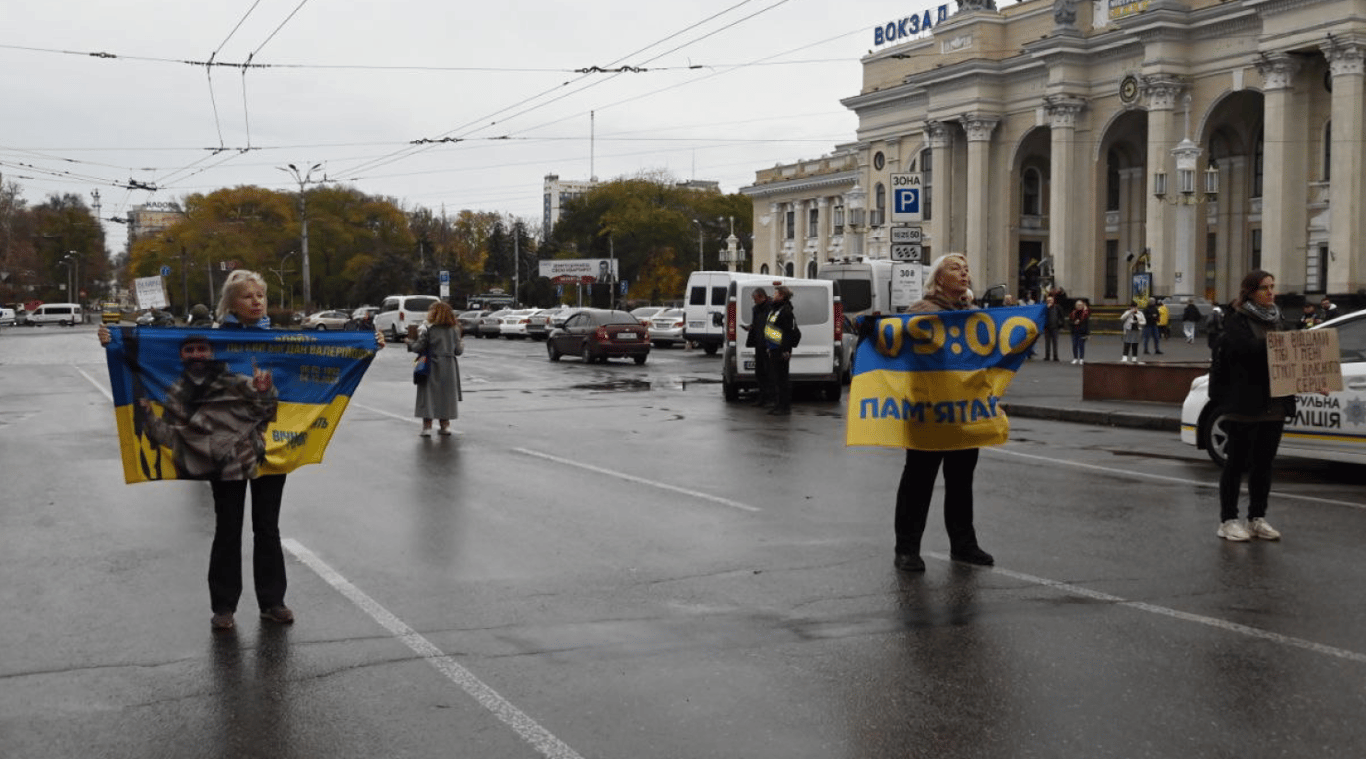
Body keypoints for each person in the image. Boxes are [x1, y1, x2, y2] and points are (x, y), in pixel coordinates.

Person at [98, 270, 384, 631]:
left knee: (267, 527)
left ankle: (272, 602)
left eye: (260, 295)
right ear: (232, 303)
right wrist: (114, 340)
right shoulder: (214, 343)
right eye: (248, 296)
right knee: (228, 527)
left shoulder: (281, 342)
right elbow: (161, 354)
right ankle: (224, 606)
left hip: (266, 451)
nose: (257, 301)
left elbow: (312, 373)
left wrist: (368, 343)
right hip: (223, 456)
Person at [889, 253, 994, 571]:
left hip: (964, 413)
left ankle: (964, 545)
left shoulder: (974, 315)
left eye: (966, 268)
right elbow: (900, 355)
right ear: (937, 279)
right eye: (954, 268)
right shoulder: (920, 313)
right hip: (927, 413)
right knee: (918, 482)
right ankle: (907, 548)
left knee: (961, 482)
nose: (963, 273)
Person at [1208, 270, 1294, 542]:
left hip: (1274, 403)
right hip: (1244, 403)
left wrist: (1312, 380)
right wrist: (1278, 348)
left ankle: (1257, 517)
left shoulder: (1279, 320)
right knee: (1236, 463)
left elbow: (1294, 361)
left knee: (1264, 465)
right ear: (1250, 292)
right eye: (1264, 288)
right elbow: (1242, 353)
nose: (1271, 292)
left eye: (1272, 287)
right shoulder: (1237, 321)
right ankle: (1228, 520)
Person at [409, 300, 462, 436]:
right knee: (446, 396)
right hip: (449, 366)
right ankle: (445, 426)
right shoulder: (454, 329)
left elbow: (418, 347)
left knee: (428, 395)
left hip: (430, 364)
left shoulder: (428, 328)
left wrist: (409, 342)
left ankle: (427, 428)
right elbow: (458, 351)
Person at [763, 285, 797, 416]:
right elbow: (772, 328)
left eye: (776, 293)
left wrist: (786, 350)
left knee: (782, 379)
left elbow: (788, 332)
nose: (774, 295)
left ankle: (784, 407)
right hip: (773, 347)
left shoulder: (786, 311)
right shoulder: (775, 309)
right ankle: (778, 405)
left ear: (782, 295)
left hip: (781, 349)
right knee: (776, 379)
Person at [741, 287, 773, 407]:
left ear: (761, 297)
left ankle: (771, 398)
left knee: (769, 373)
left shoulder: (771, 309)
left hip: (768, 345)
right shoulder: (756, 309)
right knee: (759, 373)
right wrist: (750, 328)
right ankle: (762, 398)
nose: (754, 301)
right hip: (759, 344)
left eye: (755, 299)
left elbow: (774, 328)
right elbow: (756, 324)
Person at [1069, 297, 1090, 365]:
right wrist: (1074, 323)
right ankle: (1075, 358)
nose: (1079, 306)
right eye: (1078, 305)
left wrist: (1087, 334)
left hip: (1082, 332)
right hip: (1074, 331)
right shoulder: (1073, 313)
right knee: (1074, 345)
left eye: (1080, 305)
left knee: (1081, 345)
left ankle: (1081, 358)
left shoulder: (1085, 313)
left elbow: (1087, 324)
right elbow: (1069, 322)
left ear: (1083, 305)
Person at [1042, 295, 1063, 361]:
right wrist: (1047, 309)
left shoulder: (1057, 307)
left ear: (1053, 301)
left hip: (1055, 327)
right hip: (1047, 327)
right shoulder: (1044, 308)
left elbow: (1061, 316)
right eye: (1048, 300)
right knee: (1047, 343)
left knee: (1055, 342)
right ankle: (1047, 356)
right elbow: (1042, 316)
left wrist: (1061, 325)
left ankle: (1055, 356)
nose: (1049, 301)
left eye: (1050, 300)